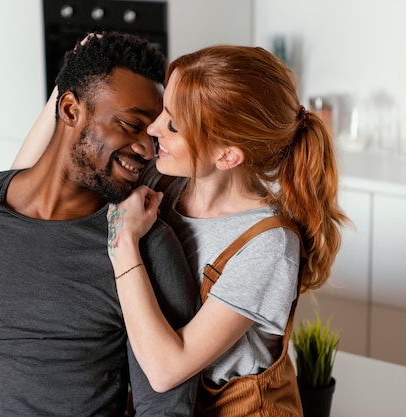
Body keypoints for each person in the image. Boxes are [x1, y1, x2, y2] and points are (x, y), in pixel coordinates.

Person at [0, 32, 198, 417]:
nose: (145, 148)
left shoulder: (144, 245)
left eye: (152, 132)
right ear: (70, 110)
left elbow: (165, 408)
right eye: (130, 124)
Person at [106, 45, 349, 416]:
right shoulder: (163, 184)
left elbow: (165, 370)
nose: (153, 129)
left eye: (172, 124)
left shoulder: (268, 246)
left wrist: (123, 247)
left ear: (227, 155)